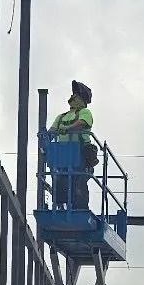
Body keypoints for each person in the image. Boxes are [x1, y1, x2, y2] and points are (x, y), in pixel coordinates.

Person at [48, 80, 98, 209]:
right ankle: (60, 206)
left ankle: (79, 208)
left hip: (80, 153)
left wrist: (68, 128)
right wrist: (45, 136)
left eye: (76, 94)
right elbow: (52, 131)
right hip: (63, 153)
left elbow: (81, 123)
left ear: (81, 98)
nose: (73, 97)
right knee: (60, 180)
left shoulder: (85, 112)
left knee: (78, 182)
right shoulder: (61, 116)